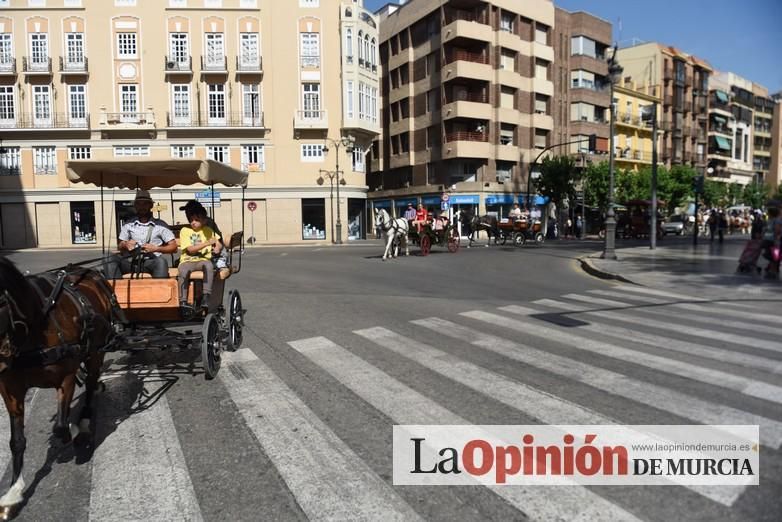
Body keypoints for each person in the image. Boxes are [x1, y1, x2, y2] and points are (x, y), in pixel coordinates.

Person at [104, 190, 177, 279]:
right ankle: (117, 290)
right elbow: (120, 245)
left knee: (161, 262)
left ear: (151, 205)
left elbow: (174, 247)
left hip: (151, 262)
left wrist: (157, 248)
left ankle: (160, 291)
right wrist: (126, 244)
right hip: (131, 262)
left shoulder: (161, 225)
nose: (142, 207)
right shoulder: (128, 224)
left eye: (145, 204)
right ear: (135, 206)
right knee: (109, 258)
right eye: (139, 204)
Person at [178, 205, 222, 311]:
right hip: (188, 260)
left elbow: (218, 242)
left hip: (202, 260)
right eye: (191, 220)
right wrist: (206, 243)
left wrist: (217, 248)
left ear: (203, 220)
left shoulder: (208, 230)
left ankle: (206, 296)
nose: (193, 222)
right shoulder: (185, 231)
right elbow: (190, 250)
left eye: (196, 220)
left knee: (208, 265)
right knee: (183, 270)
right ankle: (183, 300)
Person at [179, 200, 229, 273]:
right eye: (187, 212)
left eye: (188, 211)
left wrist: (216, 247)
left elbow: (216, 241)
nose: (186, 213)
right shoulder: (191, 226)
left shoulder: (206, 223)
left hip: (214, 255)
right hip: (197, 256)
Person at [762, 206, 782, 279]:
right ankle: (772, 270)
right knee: (771, 256)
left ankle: (773, 271)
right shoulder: (771, 220)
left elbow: (777, 230)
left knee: (774, 257)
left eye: (768, 212)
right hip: (769, 240)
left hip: (774, 241)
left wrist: (776, 239)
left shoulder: (777, 220)